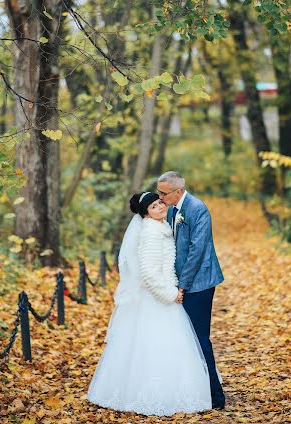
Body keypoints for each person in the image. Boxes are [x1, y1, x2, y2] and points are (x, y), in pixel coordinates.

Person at [86, 191, 212, 416]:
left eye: (159, 202)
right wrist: (170, 294)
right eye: (153, 206)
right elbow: (148, 274)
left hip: (166, 292)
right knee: (154, 343)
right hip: (157, 298)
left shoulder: (161, 226)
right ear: (146, 213)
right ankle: (151, 394)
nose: (160, 207)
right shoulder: (151, 233)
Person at [156, 171, 225, 410]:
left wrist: (182, 286)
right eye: (159, 192)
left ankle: (216, 397)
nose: (160, 197)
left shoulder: (197, 209)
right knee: (186, 337)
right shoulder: (173, 209)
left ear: (177, 191)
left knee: (199, 338)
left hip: (200, 282)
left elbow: (196, 252)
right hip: (183, 282)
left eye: (163, 193)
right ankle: (195, 389)